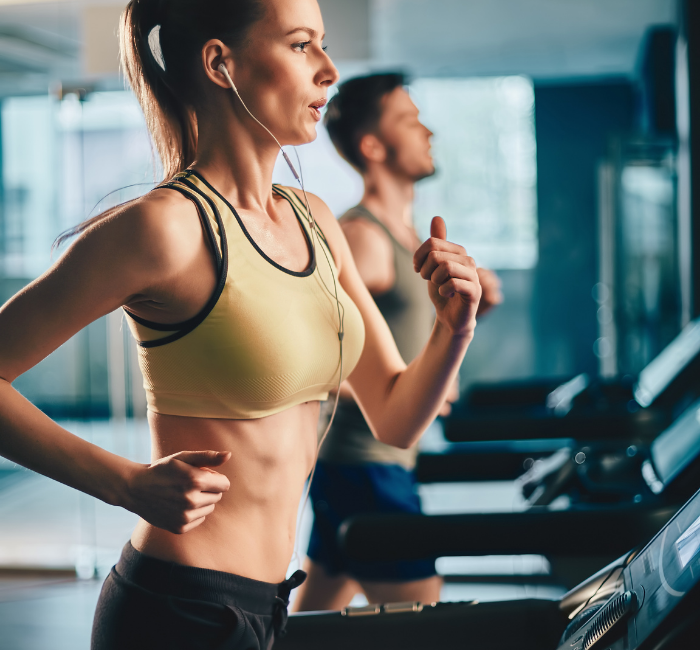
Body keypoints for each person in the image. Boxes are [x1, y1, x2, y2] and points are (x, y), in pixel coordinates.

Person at [0, 1, 483, 648]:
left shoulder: (316, 220)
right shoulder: (163, 230)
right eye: (302, 45)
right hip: (177, 609)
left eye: (324, 45)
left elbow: (394, 417)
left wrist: (452, 331)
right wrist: (126, 484)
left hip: (265, 605)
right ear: (220, 64)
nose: (329, 70)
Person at [293, 73, 503, 612]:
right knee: (427, 624)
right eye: (409, 120)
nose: (427, 130)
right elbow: (310, 356)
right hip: (366, 467)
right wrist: (409, 383)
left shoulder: (409, 238)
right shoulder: (362, 239)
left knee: (312, 623)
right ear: (372, 146)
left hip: (368, 466)